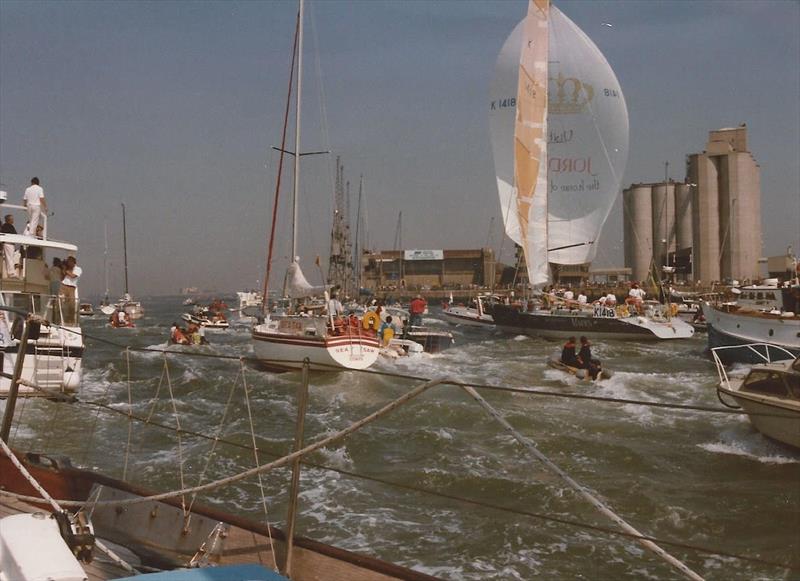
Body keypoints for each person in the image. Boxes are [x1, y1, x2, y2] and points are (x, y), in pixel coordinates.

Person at [61, 256, 82, 322]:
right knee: (60, 301)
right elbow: (62, 277)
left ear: (73, 263)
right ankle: (60, 317)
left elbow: (73, 276)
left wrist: (66, 270)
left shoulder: (78, 269)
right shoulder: (66, 269)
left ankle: (70, 319)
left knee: (71, 304)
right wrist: (63, 269)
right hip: (63, 286)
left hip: (71, 288)